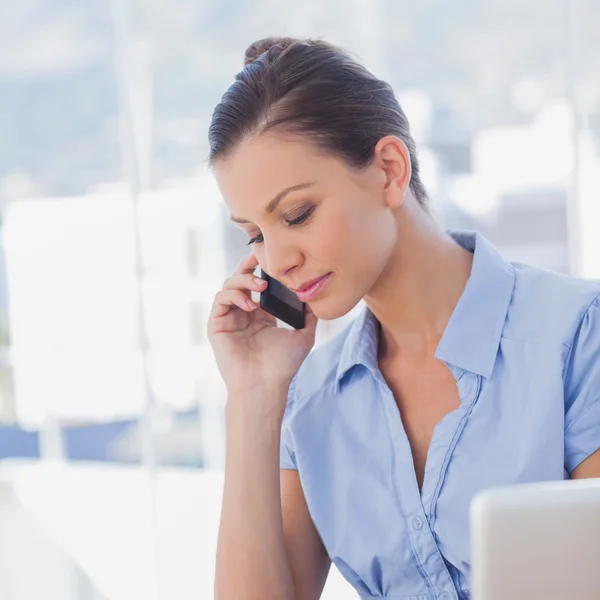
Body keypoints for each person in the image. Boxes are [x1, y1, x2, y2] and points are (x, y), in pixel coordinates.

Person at [206, 36, 600, 600]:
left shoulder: (579, 337)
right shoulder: (309, 405)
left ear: (390, 169)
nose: (277, 261)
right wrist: (251, 398)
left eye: (298, 213)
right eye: (255, 235)